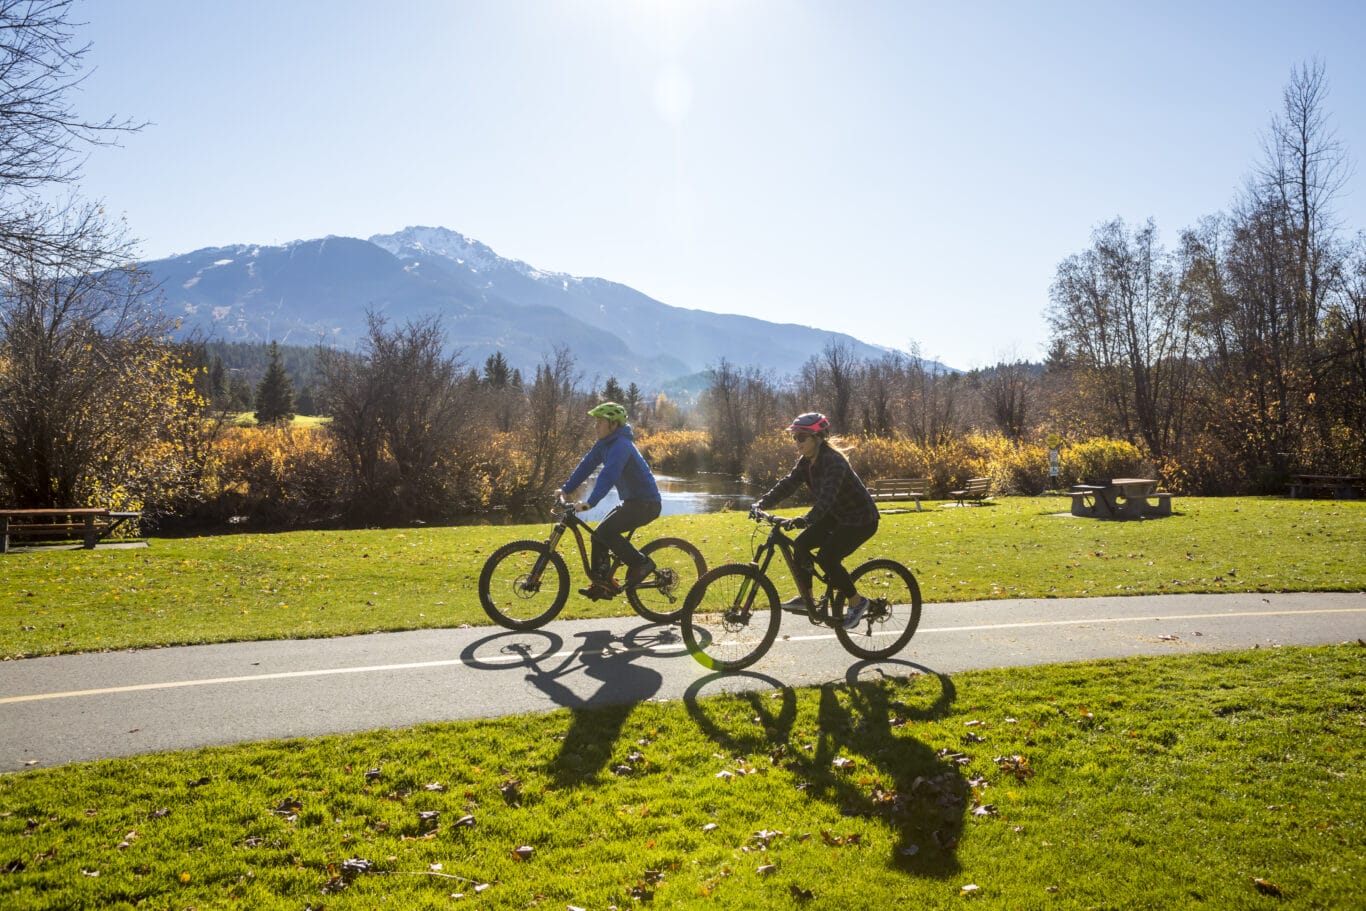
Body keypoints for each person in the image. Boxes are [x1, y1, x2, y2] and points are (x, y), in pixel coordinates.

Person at [752, 412, 880, 629]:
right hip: (838, 515)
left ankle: (857, 602)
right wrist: (761, 504)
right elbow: (788, 484)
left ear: (817, 437)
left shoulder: (834, 462)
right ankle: (807, 599)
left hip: (860, 519)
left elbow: (827, 498)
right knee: (801, 545)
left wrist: (807, 519)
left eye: (801, 438)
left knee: (827, 558)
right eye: (794, 438)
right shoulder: (806, 462)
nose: (796, 442)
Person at [559, 401, 661, 599]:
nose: (595, 425)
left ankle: (641, 564)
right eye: (595, 421)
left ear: (613, 425)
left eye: (600, 422)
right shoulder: (604, 444)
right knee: (598, 535)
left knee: (606, 532)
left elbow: (609, 474)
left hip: (646, 504)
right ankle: (602, 583)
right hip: (633, 502)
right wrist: (566, 489)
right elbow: (586, 466)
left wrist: (591, 501)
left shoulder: (621, 445)